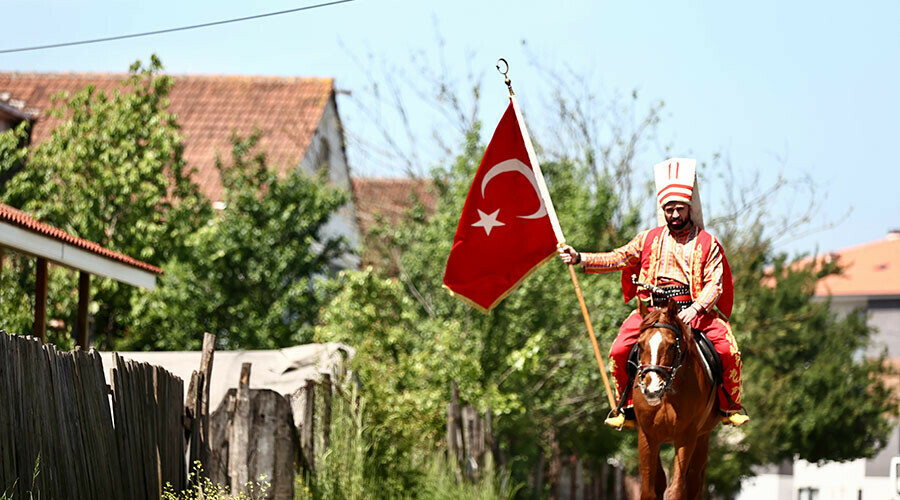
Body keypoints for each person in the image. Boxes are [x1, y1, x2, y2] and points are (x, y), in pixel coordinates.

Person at [558, 158, 749, 429]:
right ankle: (627, 407)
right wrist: (580, 257)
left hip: (693, 311)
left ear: (689, 208)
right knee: (619, 350)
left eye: (679, 209)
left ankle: (729, 406)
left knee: (728, 351)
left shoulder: (708, 243)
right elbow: (618, 258)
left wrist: (695, 309)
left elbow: (715, 284)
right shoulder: (648, 238)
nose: (673, 215)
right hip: (651, 314)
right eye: (668, 209)